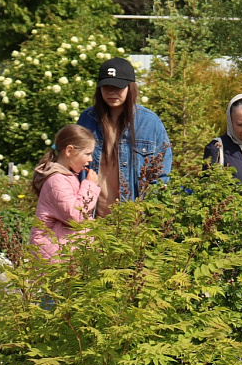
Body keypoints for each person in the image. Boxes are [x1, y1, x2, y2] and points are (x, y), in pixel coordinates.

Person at [76, 57, 172, 215]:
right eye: (106, 86)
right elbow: (69, 161)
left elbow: (161, 176)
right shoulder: (87, 119)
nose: (112, 92)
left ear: (130, 87)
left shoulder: (150, 123)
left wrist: (146, 213)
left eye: (118, 87)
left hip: (132, 219)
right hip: (91, 217)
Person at [29, 124, 101, 260]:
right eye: (87, 153)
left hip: (63, 253)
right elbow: (76, 216)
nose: (90, 159)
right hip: (54, 257)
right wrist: (90, 185)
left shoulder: (67, 177)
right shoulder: (56, 180)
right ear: (69, 151)